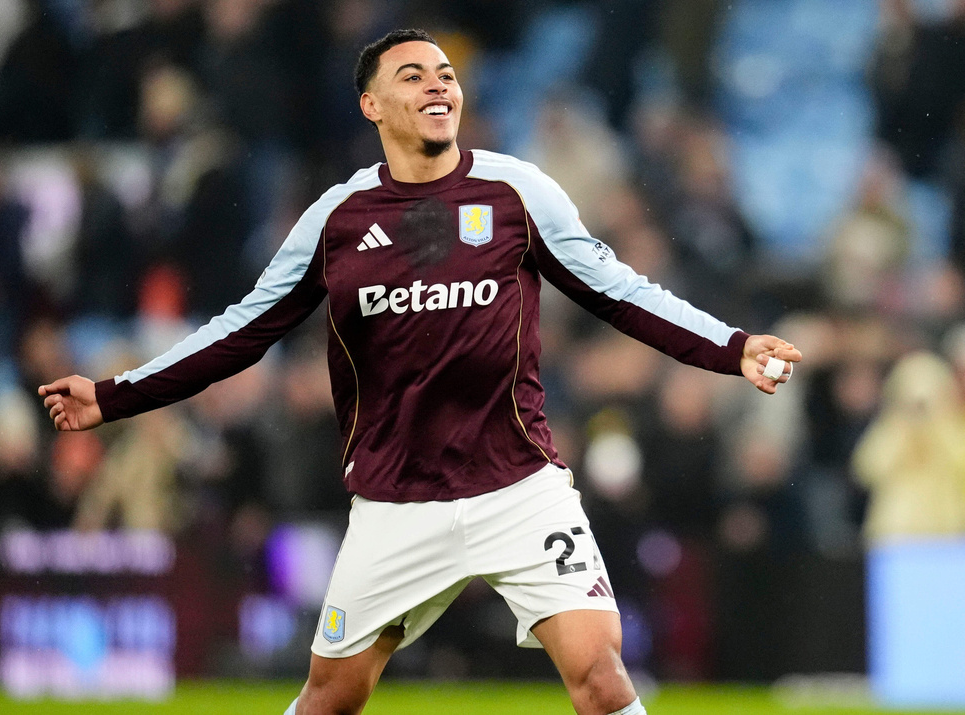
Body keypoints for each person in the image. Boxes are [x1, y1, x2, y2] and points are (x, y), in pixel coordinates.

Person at [39, 29, 801, 715]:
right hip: (396, 503)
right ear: (371, 105)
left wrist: (731, 347)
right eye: (413, 75)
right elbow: (243, 329)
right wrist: (114, 395)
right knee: (331, 697)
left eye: (446, 75)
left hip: (519, 489)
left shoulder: (516, 192)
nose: (438, 85)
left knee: (602, 678)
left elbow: (619, 291)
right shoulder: (337, 219)